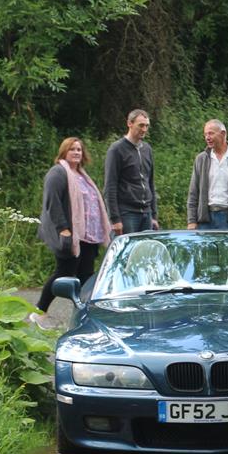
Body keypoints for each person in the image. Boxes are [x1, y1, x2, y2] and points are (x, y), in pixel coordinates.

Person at [30, 137, 119, 328]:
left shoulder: (81, 175)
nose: (77, 152)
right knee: (64, 273)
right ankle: (39, 311)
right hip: (70, 235)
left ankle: (84, 316)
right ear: (64, 152)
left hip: (88, 235)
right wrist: (64, 229)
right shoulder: (58, 173)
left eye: (79, 149)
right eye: (72, 149)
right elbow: (52, 203)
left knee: (86, 276)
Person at [185, 118, 228, 231]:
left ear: (223, 134)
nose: (207, 137)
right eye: (205, 134)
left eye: (211, 133)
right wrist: (191, 220)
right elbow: (193, 193)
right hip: (205, 220)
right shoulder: (201, 159)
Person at [103, 109, 159, 234]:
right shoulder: (116, 149)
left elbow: (150, 183)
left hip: (146, 212)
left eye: (147, 126)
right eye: (141, 125)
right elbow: (110, 186)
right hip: (126, 212)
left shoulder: (147, 149)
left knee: (145, 252)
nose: (144, 129)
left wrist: (154, 215)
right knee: (126, 252)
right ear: (130, 124)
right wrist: (115, 219)